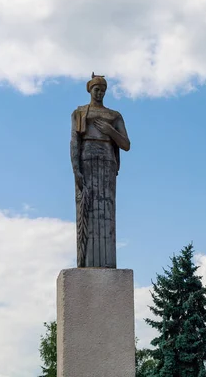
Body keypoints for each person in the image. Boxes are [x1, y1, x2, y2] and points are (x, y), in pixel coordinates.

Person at [70, 73, 130, 268]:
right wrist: (76, 170)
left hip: (106, 163)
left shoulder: (114, 115)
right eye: (97, 89)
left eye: (103, 90)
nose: (100, 93)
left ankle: (107, 261)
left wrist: (110, 131)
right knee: (87, 208)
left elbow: (126, 144)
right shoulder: (80, 112)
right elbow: (74, 143)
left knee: (106, 210)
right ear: (90, 90)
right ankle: (86, 261)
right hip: (87, 161)